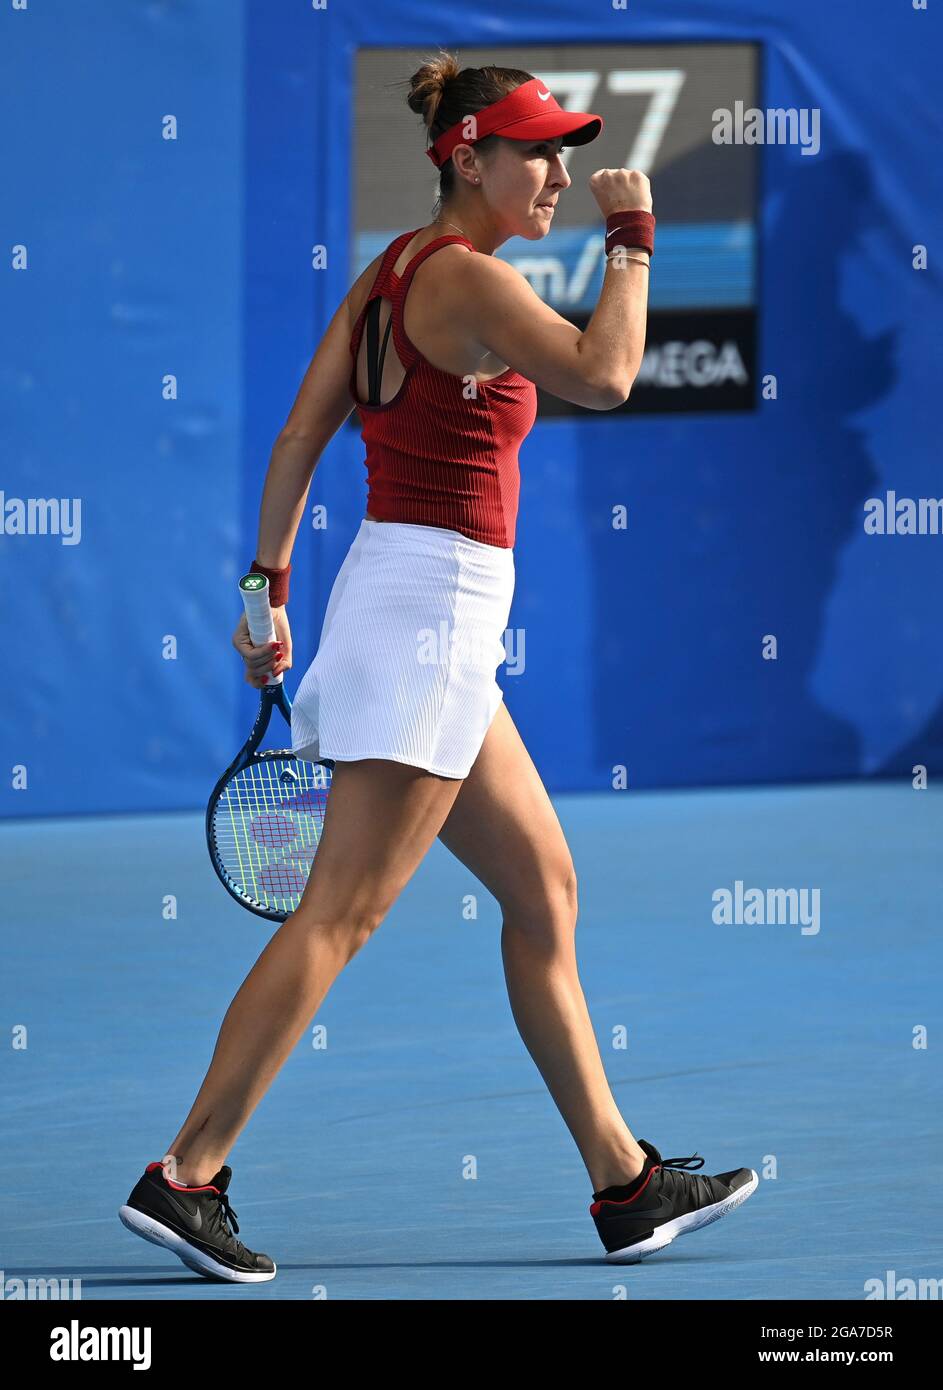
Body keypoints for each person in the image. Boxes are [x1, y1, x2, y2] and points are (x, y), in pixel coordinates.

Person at [119, 52, 756, 1283]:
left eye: (568, 156)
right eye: (536, 153)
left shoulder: (389, 275)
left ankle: (623, 1184)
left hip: (408, 611)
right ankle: (185, 1174)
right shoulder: (462, 281)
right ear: (467, 158)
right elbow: (610, 375)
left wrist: (265, 589)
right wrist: (633, 240)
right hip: (427, 626)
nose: (559, 175)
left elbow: (305, 429)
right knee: (342, 914)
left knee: (544, 894)